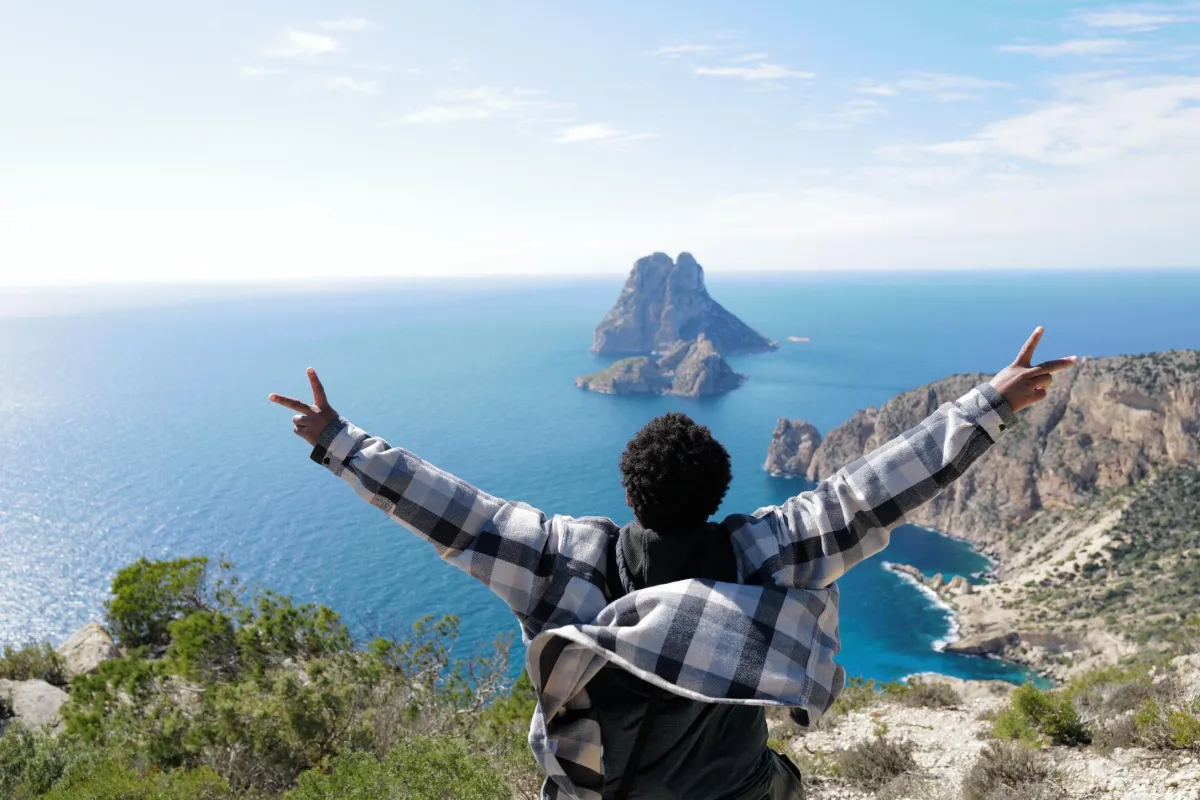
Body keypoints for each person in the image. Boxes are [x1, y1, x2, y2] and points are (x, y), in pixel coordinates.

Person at [269, 327, 1077, 800]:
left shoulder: (562, 565)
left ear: (629, 490)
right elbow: (870, 493)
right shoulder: (767, 554)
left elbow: (455, 514)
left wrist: (343, 444)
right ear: (721, 487)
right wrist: (989, 405)